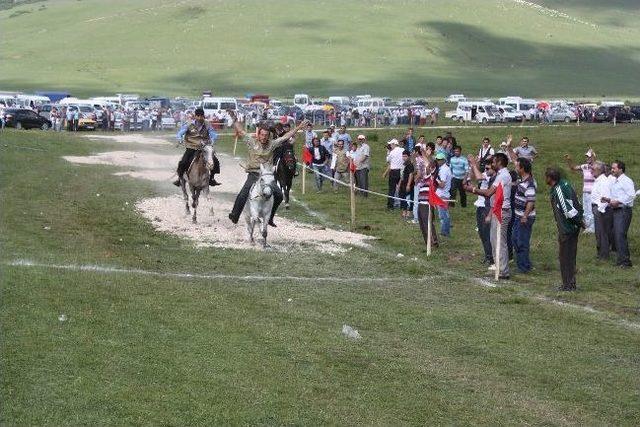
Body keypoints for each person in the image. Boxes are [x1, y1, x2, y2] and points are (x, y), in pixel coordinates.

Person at [228, 113, 309, 227]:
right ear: (259, 135)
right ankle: (235, 215)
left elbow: (286, 137)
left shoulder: (272, 144)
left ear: (268, 136)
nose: (264, 137)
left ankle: (270, 218)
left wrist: (299, 127)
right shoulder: (252, 141)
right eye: (262, 135)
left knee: (279, 195)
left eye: (266, 135)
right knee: (244, 193)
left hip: (267, 176)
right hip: (254, 174)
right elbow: (241, 131)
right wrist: (235, 119)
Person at [471, 153, 512, 279]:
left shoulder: (503, 176)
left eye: (493, 162)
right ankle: (499, 267)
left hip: (502, 211)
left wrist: (473, 190)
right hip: (497, 210)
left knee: (499, 241)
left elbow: (489, 193)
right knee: (494, 240)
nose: (492, 164)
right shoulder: (501, 175)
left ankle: (503, 271)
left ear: (499, 162)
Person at [546, 168, 583, 291]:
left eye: (546, 177)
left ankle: (567, 285)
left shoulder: (558, 189)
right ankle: (570, 283)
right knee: (570, 257)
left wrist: (578, 221)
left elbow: (567, 210)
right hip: (572, 227)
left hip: (568, 228)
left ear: (550, 179)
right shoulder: (566, 184)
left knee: (565, 257)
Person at [173, 107, 219, 187]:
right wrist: (180, 139)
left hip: (204, 147)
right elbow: (180, 133)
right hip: (191, 147)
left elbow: (213, 133)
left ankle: (211, 178)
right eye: (198, 116)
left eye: (202, 116)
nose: (200, 118)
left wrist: (213, 139)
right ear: (195, 116)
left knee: (215, 161)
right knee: (183, 162)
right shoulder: (189, 124)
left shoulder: (207, 124)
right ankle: (179, 179)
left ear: (203, 116)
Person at [601, 160, 635, 268]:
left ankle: (626, 262)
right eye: (612, 168)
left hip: (623, 211)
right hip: (616, 210)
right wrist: (608, 200)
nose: (612, 170)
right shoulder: (615, 181)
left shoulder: (626, 180)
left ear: (620, 169)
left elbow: (631, 195)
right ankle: (620, 260)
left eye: (614, 168)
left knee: (620, 235)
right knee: (616, 235)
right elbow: (617, 196)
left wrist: (618, 201)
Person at [466, 155, 496, 265]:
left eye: (488, 168)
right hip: (480, 205)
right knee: (481, 232)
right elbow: (474, 177)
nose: (486, 170)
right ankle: (488, 255)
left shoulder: (494, 177)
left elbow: (478, 178)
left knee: (487, 233)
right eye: (485, 168)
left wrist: (474, 164)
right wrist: (472, 166)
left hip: (487, 206)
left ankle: (491, 256)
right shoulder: (486, 173)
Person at [512, 157, 536, 273]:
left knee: (522, 241)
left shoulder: (529, 183)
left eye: (517, 166)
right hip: (518, 216)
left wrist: (525, 216)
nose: (515, 167)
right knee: (515, 240)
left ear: (522, 168)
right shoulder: (522, 180)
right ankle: (523, 263)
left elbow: (531, 201)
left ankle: (524, 267)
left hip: (524, 218)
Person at [565, 149, 596, 233]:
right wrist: (569, 160)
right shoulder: (584, 166)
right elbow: (573, 168)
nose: (587, 158)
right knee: (585, 209)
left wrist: (593, 158)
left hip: (593, 192)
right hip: (585, 191)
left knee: (591, 209)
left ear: (593, 157)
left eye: (589, 157)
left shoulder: (597, 167)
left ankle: (593, 227)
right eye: (586, 157)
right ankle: (587, 226)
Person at [590, 161, 613, 260]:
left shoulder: (603, 181)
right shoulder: (598, 180)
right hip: (598, 208)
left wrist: (600, 209)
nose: (591, 172)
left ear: (598, 170)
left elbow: (605, 197)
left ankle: (604, 255)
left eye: (593, 169)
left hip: (602, 210)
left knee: (602, 232)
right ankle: (600, 253)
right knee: (599, 232)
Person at [434, 152, 452, 237]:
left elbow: (442, 185)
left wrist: (435, 179)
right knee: (445, 214)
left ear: (444, 160)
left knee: (443, 215)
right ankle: (446, 231)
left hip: (442, 195)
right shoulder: (443, 168)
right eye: (437, 159)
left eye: (439, 159)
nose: (438, 161)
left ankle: (444, 232)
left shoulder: (444, 170)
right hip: (443, 194)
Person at [384, 139, 404, 209]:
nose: (390, 146)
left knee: (392, 189)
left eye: (391, 144)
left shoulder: (392, 152)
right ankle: (402, 204)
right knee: (401, 188)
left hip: (393, 171)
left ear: (394, 144)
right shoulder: (402, 150)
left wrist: (388, 152)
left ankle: (390, 205)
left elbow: (387, 160)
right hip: (401, 170)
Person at [399, 150, 415, 219]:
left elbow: (411, 175)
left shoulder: (410, 164)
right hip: (403, 183)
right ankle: (404, 211)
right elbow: (402, 175)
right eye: (403, 156)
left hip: (408, 184)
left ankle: (409, 212)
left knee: (409, 198)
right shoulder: (404, 164)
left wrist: (408, 184)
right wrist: (399, 183)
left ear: (409, 156)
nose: (404, 157)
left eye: (405, 156)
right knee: (403, 197)